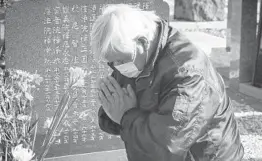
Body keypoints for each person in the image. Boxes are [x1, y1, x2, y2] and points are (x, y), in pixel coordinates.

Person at [91, 4, 244, 161]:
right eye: (112, 62)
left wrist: (126, 116)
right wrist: (112, 108)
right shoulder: (134, 56)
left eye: (120, 60)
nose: (117, 68)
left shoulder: (187, 73)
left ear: (142, 42)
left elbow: (167, 146)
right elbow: (111, 117)